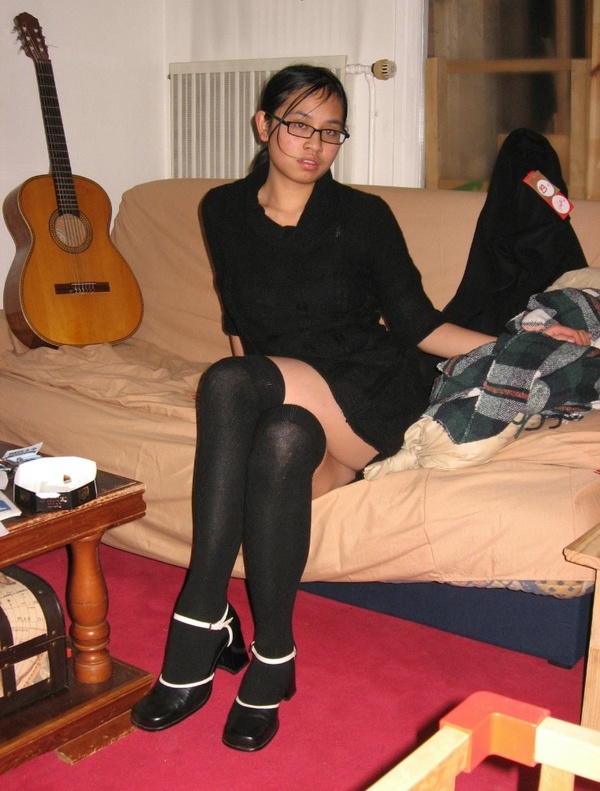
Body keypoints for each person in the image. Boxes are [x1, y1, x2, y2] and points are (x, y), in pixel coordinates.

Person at [130, 64, 579, 753]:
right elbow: (238, 316)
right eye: (299, 125)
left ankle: (201, 616)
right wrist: (251, 407)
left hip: (372, 394)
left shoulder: (363, 217)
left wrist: (524, 342)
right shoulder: (221, 209)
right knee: (279, 437)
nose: (315, 144)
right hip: (294, 403)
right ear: (263, 125)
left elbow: (420, 325)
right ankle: (274, 655)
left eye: (331, 131)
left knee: (227, 382)